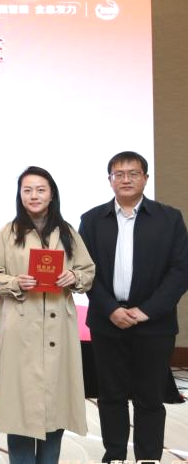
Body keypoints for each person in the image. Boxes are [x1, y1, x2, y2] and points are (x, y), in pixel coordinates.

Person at [79, 150, 188, 464]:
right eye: (119, 174)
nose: (126, 179)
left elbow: (181, 271)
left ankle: (148, 458)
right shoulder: (92, 220)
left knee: (149, 396)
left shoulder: (169, 219)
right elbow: (84, 270)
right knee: (111, 394)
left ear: (145, 178)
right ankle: (114, 455)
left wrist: (147, 311)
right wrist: (111, 309)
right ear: (110, 180)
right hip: (107, 321)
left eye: (133, 173)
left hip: (154, 324)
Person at [0, 165, 94, 464]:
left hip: (59, 330)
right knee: (19, 410)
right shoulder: (8, 233)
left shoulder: (67, 232)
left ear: (52, 194)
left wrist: (74, 276)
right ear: (20, 195)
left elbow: (88, 271)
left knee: (56, 406)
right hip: (21, 330)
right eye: (27, 190)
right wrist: (14, 282)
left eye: (40, 189)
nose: (34, 195)